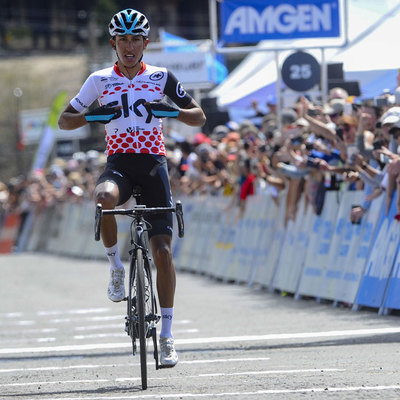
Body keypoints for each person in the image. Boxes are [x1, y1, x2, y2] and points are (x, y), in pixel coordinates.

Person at [58, 8, 206, 368]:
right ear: (113, 43)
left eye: (135, 39)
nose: (128, 46)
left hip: (153, 165)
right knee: (103, 198)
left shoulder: (161, 77)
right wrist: (95, 116)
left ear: (145, 43)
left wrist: (169, 111)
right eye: (122, 39)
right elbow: (65, 120)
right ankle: (115, 267)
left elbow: (198, 115)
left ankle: (168, 336)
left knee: (164, 253)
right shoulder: (99, 80)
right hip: (120, 165)